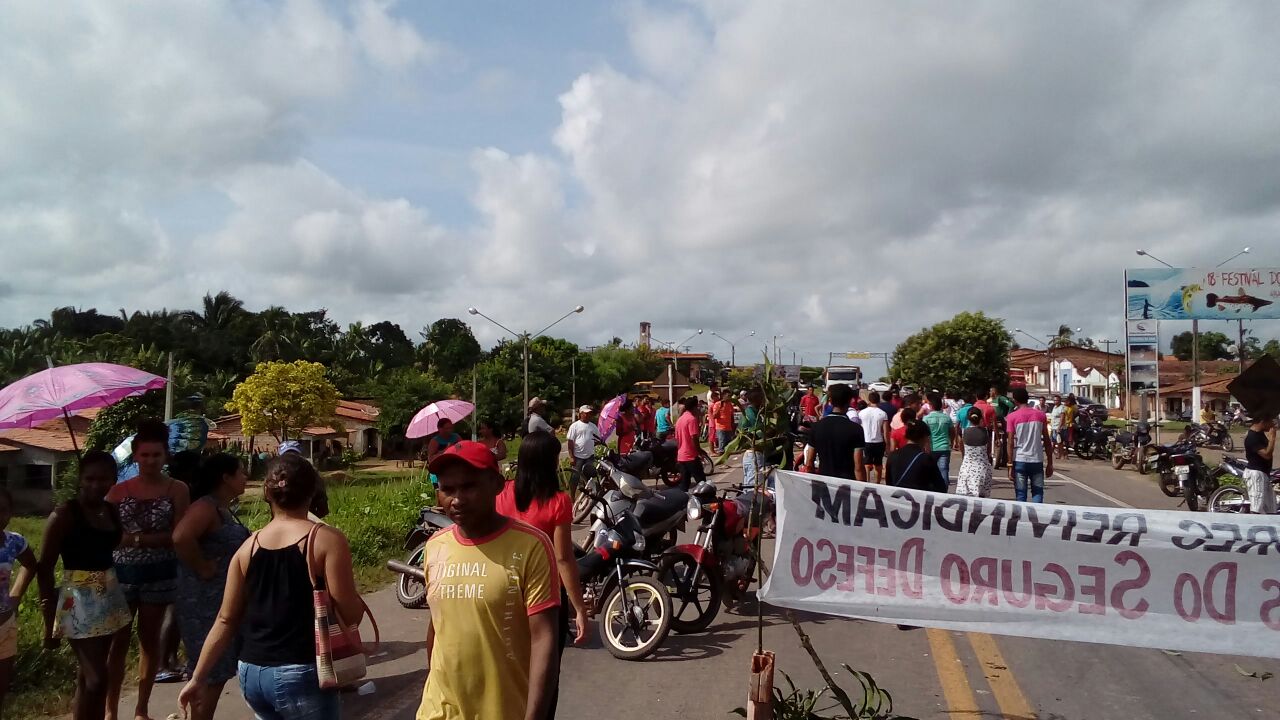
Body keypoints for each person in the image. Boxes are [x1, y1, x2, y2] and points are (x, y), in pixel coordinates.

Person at [179, 453, 364, 719]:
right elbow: (350, 614)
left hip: (252, 673)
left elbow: (225, 619)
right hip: (301, 670)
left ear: (267, 493)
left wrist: (198, 678)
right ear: (312, 491)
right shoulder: (326, 540)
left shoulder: (248, 547)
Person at [417, 442, 560, 720]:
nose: (457, 499)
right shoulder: (435, 546)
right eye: (448, 489)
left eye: (469, 486)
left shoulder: (530, 546)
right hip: (439, 709)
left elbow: (544, 638)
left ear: (496, 485)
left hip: (503, 709)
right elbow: (438, 623)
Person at [496, 432, 590, 717]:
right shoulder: (558, 501)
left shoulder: (502, 494)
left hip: (506, 591)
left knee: (508, 668)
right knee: (545, 674)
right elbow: (563, 558)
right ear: (550, 462)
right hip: (545, 597)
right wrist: (579, 608)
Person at [36, 451, 133, 720]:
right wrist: (48, 621)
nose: (95, 485)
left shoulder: (110, 511)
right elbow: (44, 569)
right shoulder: (64, 515)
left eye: (103, 479)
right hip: (77, 599)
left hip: (109, 593)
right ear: (80, 479)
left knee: (89, 677)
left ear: (113, 479)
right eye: (89, 478)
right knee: (97, 679)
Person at [106, 419, 191, 720]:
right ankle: (110, 710)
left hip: (160, 574)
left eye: (156, 455)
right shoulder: (117, 492)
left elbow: (178, 534)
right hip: (121, 575)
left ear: (165, 455)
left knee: (149, 641)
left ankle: (141, 709)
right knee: (116, 643)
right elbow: (107, 533)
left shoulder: (177, 489)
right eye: (145, 455)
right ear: (135, 455)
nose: (151, 461)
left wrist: (135, 539)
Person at [172, 453, 251, 720]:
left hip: (220, 600)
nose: (245, 477)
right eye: (240, 472)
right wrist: (203, 567)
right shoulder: (206, 507)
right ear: (226, 478)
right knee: (210, 673)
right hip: (203, 603)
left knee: (217, 670)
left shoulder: (223, 508)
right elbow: (181, 537)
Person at [0, 487, 36, 714]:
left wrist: (15, 597)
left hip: (5, 627)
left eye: (2, 510)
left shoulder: (14, 542)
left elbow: (31, 565)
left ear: (10, 513)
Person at [803, 383, 866, 481]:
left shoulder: (816, 427)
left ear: (830, 401)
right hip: (847, 484)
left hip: (824, 483)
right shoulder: (856, 429)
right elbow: (858, 468)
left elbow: (809, 464)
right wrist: (862, 488)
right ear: (849, 401)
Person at [1006, 388, 1053, 503]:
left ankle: (1022, 514)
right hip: (1037, 460)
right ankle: (1037, 514)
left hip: (1020, 460)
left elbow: (1010, 442)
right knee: (1038, 493)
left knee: (1021, 494)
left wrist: (1010, 465)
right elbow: (1047, 440)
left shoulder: (1012, 417)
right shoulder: (1041, 415)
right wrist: (1050, 463)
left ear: (1015, 400)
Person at [886, 421, 948, 492]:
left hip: (896, 497)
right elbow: (940, 487)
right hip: (918, 498)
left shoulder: (892, 456)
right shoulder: (925, 459)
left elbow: (889, 484)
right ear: (924, 437)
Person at [957, 408, 994, 498]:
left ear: (968, 418)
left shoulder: (964, 432)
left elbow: (962, 449)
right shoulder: (986, 432)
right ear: (981, 418)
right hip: (983, 468)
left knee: (965, 499)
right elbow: (988, 450)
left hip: (967, 468)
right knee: (982, 499)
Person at [1243, 416, 1277, 514]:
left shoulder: (1259, 433)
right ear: (1262, 421)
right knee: (1256, 508)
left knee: (1271, 508)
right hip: (1256, 475)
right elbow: (1266, 455)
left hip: (1264, 474)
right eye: (1270, 421)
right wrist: (1272, 439)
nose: (1272, 424)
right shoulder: (1252, 437)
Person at [922, 392, 955, 485]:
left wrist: (924, 447)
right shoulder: (947, 418)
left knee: (930, 471)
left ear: (931, 406)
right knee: (944, 470)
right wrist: (951, 442)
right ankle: (944, 489)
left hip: (931, 448)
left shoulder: (926, 419)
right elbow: (952, 432)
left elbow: (924, 435)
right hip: (944, 447)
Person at [675, 396, 706, 490]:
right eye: (698, 407)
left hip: (681, 456)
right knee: (702, 482)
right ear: (694, 407)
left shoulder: (680, 419)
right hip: (691, 455)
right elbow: (694, 437)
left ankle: (681, 498)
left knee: (684, 483)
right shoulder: (691, 419)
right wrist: (699, 451)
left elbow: (677, 438)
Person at [858, 391, 890, 483]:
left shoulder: (861, 413)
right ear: (879, 400)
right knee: (878, 464)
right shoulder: (883, 413)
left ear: (869, 400)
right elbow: (885, 431)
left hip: (866, 440)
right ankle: (877, 482)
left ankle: (867, 481)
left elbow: (859, 427)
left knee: (867, 463)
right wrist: (887, 444)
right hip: (879, 441)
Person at [741, 389, 766, 488]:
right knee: (753, 488)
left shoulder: (754, 412)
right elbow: (759, 432)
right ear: (757, 400)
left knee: (750, 486)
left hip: (753, 454)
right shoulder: (750, 413)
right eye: (762, 399)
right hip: (753, 454)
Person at [566, 405, 599, 472]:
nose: (588, 415)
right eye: (586, 413)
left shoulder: (593, 426)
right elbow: (570, 442)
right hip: (578, 456)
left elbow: (598, 440)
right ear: (581, 414)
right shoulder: (574, 426)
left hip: (590, 456)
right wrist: (571, 457)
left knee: (588, 475)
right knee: (576, 475)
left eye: (589, 413)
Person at [713, 390, 737, 455]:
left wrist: (732, 424)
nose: (729, 397)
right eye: (728, 396)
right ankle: (721, 453)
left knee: (728, 443)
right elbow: (714, 416)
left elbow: (731, 414)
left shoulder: (729, 404)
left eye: (730, 396)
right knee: (722, 442)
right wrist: (720, 407)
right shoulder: (717, 404)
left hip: (728, 426)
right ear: (723, 396)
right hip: (720, 427)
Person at [1047, 395, 1066, 459]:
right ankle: (1053, 455)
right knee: (1053, 442)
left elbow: (1062, 418)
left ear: (1060, 401)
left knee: (1059, 442)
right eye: (1054, 400)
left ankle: (1062, 455)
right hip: (1053, 427)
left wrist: (1059, 427)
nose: (1055, 401)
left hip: (1058, 428)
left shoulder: (1062, 407)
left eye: (1057, 400)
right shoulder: (1054, 407)